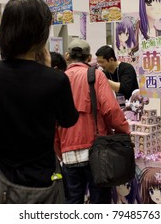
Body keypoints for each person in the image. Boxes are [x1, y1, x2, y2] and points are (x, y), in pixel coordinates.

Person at [0, 0, 79, 203]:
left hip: (1, 181)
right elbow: (69, 120)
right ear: (40, 32)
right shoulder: (55, 80)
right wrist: (47, 70)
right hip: (44, 182)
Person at [54, 39, 130, 204]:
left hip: (68, 154)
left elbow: (53, 122)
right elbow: (111, 109)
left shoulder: (58, 79)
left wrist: (60, 151)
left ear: (67, 56)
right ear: (89, 58)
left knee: (73, 201)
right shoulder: (96, 75)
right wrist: (125, 132)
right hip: (97, 152)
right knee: (99, 201)